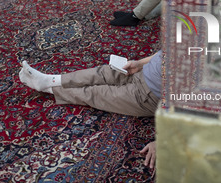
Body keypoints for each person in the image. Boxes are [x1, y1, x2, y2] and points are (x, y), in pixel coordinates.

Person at [19, 51, 162, 169]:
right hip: (142, 72)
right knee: (103, 73)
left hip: (148, 95)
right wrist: (141, 63)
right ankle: (49, 80)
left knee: (96, 94)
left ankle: (49, 89)